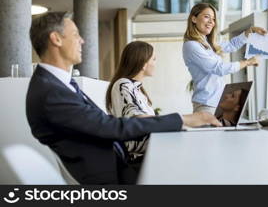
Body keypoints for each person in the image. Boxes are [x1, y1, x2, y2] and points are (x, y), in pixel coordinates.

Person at [26, 12, 221, 184]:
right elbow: (112, 127)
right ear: (56, 39)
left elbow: (106, 124)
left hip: (118, 166)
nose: (82, 41)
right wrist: (185, 119)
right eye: (76, 34)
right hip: (113, 177)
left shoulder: (57, 85)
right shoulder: (51, 92)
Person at [183, 3, 266, 114]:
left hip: (217, 103)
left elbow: (231, 45)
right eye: (206, 17)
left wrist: (249, 32)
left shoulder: (207, 43)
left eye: (213, 19)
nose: (211, 22)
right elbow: (219, 68)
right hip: (206, 105)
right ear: (194, 18)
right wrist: (247, 62)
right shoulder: (192, 45)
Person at [105, 41, 158, 163]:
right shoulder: (123, 84)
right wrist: (173, 122)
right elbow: (138, 119)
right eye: (154, 59)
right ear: (143, 63)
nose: (156, 64)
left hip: (147, 152)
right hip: (137, 158)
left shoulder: (137, 89)